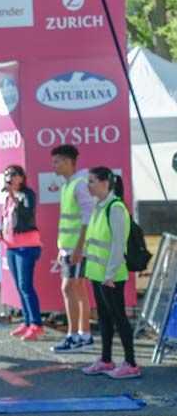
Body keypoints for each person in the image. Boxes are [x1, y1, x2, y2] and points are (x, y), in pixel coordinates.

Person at [81, 168, 141, 379]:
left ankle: (131, 363)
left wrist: (110, 274)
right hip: (98, 274)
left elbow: (117, 245)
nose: (88, 186)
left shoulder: (115, 208)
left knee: (119, 318)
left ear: (105, 183)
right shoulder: (100, 206)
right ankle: (106, 360)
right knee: (105, 319)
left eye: (91, 181)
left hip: (111, 277)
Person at [50, 144, 95, 353]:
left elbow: (88, 216)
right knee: (78, 290)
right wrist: (63, 248)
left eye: (57, 161)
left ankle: (74, 336)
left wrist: (78, 248)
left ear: (68, 162)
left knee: (68, 289)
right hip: (71, 248)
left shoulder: (78, 184)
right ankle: (84, 335)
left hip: (78, 249)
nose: (54, 165)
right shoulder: (69, 185)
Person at [0, 165, 44, 340]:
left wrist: (13, 196)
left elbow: (26, 214)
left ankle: (36, 324)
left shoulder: (26, 194)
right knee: (20, 287)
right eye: (7, 174)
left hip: (27, 246)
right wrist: (0, 233)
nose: (9, 177)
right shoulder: (8, 199)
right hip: (12, 247)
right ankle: (26, 321)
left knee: (26, 286)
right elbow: (8, 221)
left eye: (14, 174)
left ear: (22, 178)